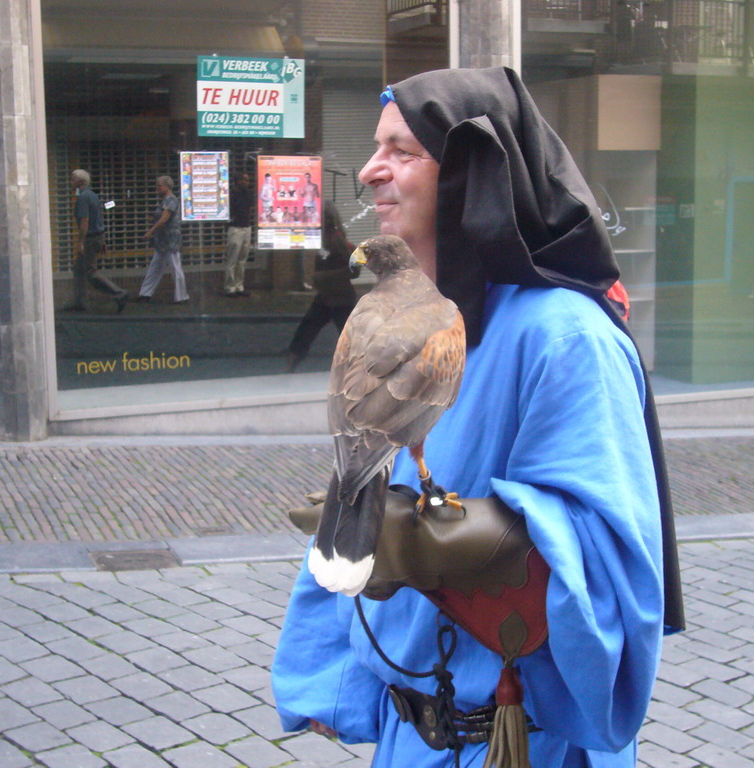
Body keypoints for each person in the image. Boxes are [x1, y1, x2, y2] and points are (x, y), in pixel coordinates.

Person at [272, 67, 683, 767]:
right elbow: (364, 504)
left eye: (402, 151)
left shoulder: (566, 337)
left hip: (521, 743)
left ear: (469, 173)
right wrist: (326, 675)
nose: (371, 170)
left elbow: (614, 561)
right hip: (410, 742)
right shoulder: (423, 321)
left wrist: (460, 540)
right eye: (377, 148)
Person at [286, 201, 359, 372]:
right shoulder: (325, 238)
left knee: (347, 338)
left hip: (339, 298)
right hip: (328, 297)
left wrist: (323, 277)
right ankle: (290, 367)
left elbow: (355, 270)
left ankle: (290, 367)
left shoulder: (335, 239)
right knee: (306, 332)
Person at [64, 169, 127, 313]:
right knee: (79, 270)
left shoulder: (83, 198)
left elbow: (84, 221)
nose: (70, 182)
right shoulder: (93, 195)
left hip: (90, 238)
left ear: (80, 181)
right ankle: (80, 303)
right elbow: (98, 217)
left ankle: (119, 294)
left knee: (90, 272)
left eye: (72, 179)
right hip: (97, 235)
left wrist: (80, 242)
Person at [137, 176, 188, 304]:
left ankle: (182, 296)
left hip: (170, 240)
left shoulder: (171, 200)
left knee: (175, 268)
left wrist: (150, 231)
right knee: (155, 267)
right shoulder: (165, 200)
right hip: (162, 240)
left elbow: (164, 218)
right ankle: (145, 293)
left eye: (159, 186)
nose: (157, 188)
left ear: (167, 186)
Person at [224, 172, 254, 298]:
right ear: (238, 181)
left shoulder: (247, 193)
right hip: (235, 228)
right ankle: (230, 287)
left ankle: (239, 286)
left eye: (248, 180)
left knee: (242, 260)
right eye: (244, 180)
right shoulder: (231, 194)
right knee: (233, 260)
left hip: (246, 227)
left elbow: (250, 208)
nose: (247, 183)